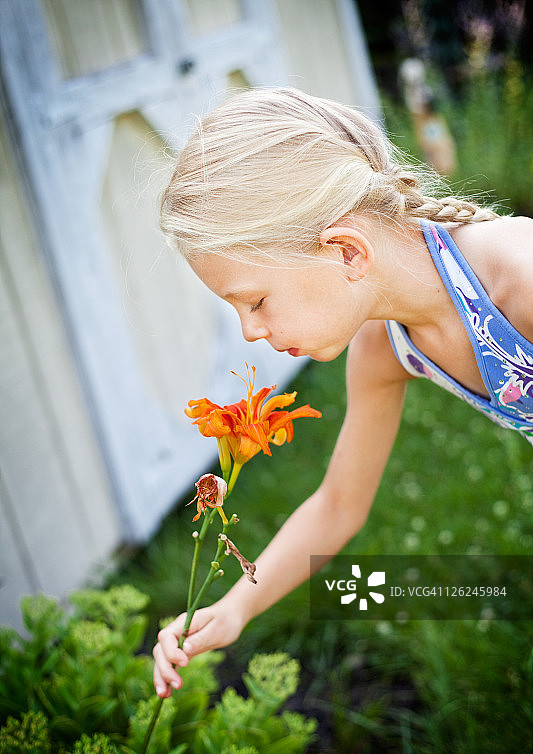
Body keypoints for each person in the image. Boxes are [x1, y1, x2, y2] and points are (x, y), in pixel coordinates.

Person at [152, 87, 533, 697]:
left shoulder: (521, 277)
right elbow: (338, 506)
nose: (251, 330)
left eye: (255, 301)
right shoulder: (388, 348)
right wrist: (234, 609)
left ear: (345, 252)